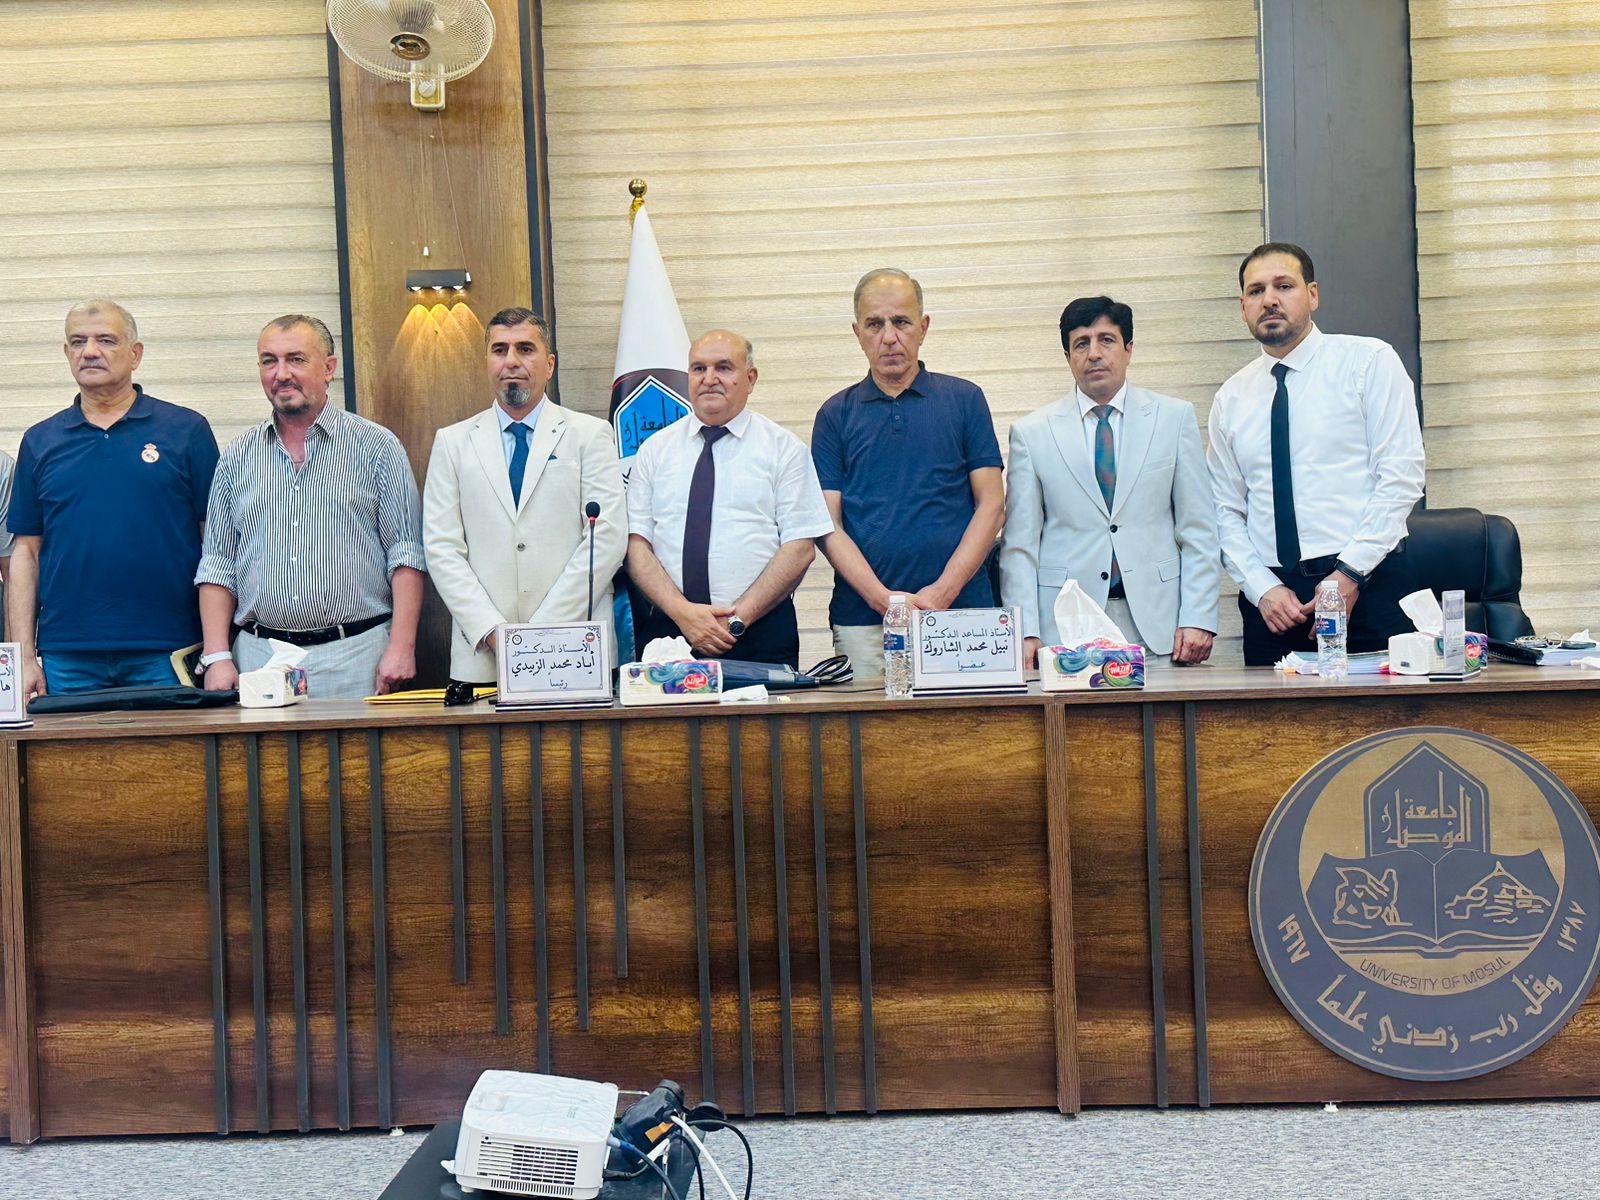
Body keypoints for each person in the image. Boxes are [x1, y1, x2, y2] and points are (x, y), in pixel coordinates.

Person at [1208, 243, 1425, 666]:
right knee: (1270, 712)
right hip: (1274, 608)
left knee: (1380, 710)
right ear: (1242, 307)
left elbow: (1401, 477)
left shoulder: (1368, 362)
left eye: (1283, 286)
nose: (1269, 300)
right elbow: (1223, 509)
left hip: (1368, 585)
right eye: (1256, 291)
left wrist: (1349, 574)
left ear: (1312, 295)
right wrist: (1262, 589)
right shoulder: (1231, 397)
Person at [197, 314, 426, 698]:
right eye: (269, 361)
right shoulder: (237, 456)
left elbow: (405, 555)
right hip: (260, 660)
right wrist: (217, 655)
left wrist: (402, 647)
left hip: (357, 657)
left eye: (296, 359)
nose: (281, 374)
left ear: (329, 368)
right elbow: (217, 564)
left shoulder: (376, 447)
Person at [7, 300, 219, 696]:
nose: (89, 351)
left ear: (135, 354)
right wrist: (22, 656)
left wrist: (218, 647)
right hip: (67, 654)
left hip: (169, 648)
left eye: (106, 340)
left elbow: (217, 545)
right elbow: (25, 553)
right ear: (66, 353)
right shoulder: (39, 441)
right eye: (78, 342)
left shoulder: (186, 430)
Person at [1000, 296, 1219, 666]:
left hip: (1160, 624)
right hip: (1065, 626)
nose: (1094, 354)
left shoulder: (1173, 418)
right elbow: (1020, 545)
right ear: (1067, 356)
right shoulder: (1032, 433)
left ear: (1128, 349)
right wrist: (1025, 630)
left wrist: (1198, 616)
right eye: (1081, 344)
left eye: (1106, 340)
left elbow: (1199, 528)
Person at [812, 268, 1004, 682]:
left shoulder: (965, 400)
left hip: (962, 617)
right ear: (857, 333)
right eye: (874, 324)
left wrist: (943, 592)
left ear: (923, 327)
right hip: (864, 622)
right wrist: (883, 600)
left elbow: (991, 505)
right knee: (870, 726)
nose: (889, 336)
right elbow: (827, 525)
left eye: (901, 321)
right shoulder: (833, 415)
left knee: (974, 723)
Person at [423, 308, 626, 684]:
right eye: (499, 350)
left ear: (549, 365)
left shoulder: (589, 435)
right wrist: (493, 632)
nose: (511, 361)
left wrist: (540, 637)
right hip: (484, 656)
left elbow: (607, 539)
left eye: (525, 349)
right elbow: (441, 548)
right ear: (487, 362)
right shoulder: (452, 443)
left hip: (574, 650)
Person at [626, 330, 833, 668]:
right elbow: (637, 547)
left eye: (723, 368)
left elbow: (800, 548)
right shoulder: (654, 451)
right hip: (671, 633)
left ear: (750, 378)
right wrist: (684, 615)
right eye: (699, 368)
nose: (709, 379)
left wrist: (737, 621)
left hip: (759, 633)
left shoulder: (784, 449)